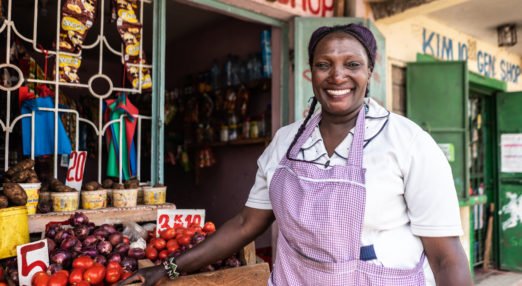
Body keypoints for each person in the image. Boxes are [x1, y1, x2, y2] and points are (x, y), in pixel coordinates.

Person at [120, 23, 471, 286]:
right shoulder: (286, 142)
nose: (337, 76)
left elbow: (445, 257)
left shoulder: (407, 142)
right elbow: (246, 224)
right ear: (310, 73)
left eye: (352, 64)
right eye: (324, 64)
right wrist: (169, 268)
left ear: (369, 74)